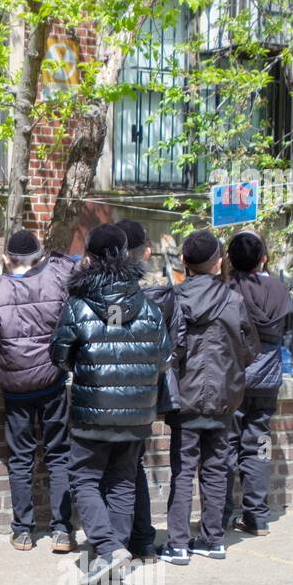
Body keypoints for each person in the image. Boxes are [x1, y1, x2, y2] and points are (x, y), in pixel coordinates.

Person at [50, 224, 171, 585]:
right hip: (137, 410)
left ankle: (106, 547)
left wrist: (84, 369)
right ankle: (115, 552)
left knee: (83, 477)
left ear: (89, 258)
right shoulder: (149, 306)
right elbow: (164, 358)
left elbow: (59, 355)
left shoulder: (78, 304)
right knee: (121, 480)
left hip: (92, 407)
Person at [158, 230, 259, 565]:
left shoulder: (176, 297)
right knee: (217, 468)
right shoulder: (234, 300)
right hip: (223, 397)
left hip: (185, 397)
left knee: (183, 470)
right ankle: (213, 539)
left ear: (184, 261)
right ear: (218, 263)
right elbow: (250, 349)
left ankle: (178, 543)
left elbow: (170, 347)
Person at [0, 229, 75, 553]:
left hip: (16, 386)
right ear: (39, 257)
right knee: (58, 454)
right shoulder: (55, 280)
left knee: (21, 458)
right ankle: (62, 531)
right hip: (51, 380)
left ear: (7, 258)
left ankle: (22, 531)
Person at [223, 230, 291, 536]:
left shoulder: (228, 289)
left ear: (230, 259)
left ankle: (220, 514)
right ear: (263, 257)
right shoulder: (279, 289)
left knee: (224, 446)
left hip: (235, 377)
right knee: (259, 446)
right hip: (268, 379)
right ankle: (257, 517)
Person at [116, 218, 175, 563]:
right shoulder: (160, 295)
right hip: (144, 393)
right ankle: (142, 541)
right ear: (146, 252)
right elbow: (169, 352)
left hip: (104, 395)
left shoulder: (103, 292)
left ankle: (117, 543)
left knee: (112, 470)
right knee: (132, 466)